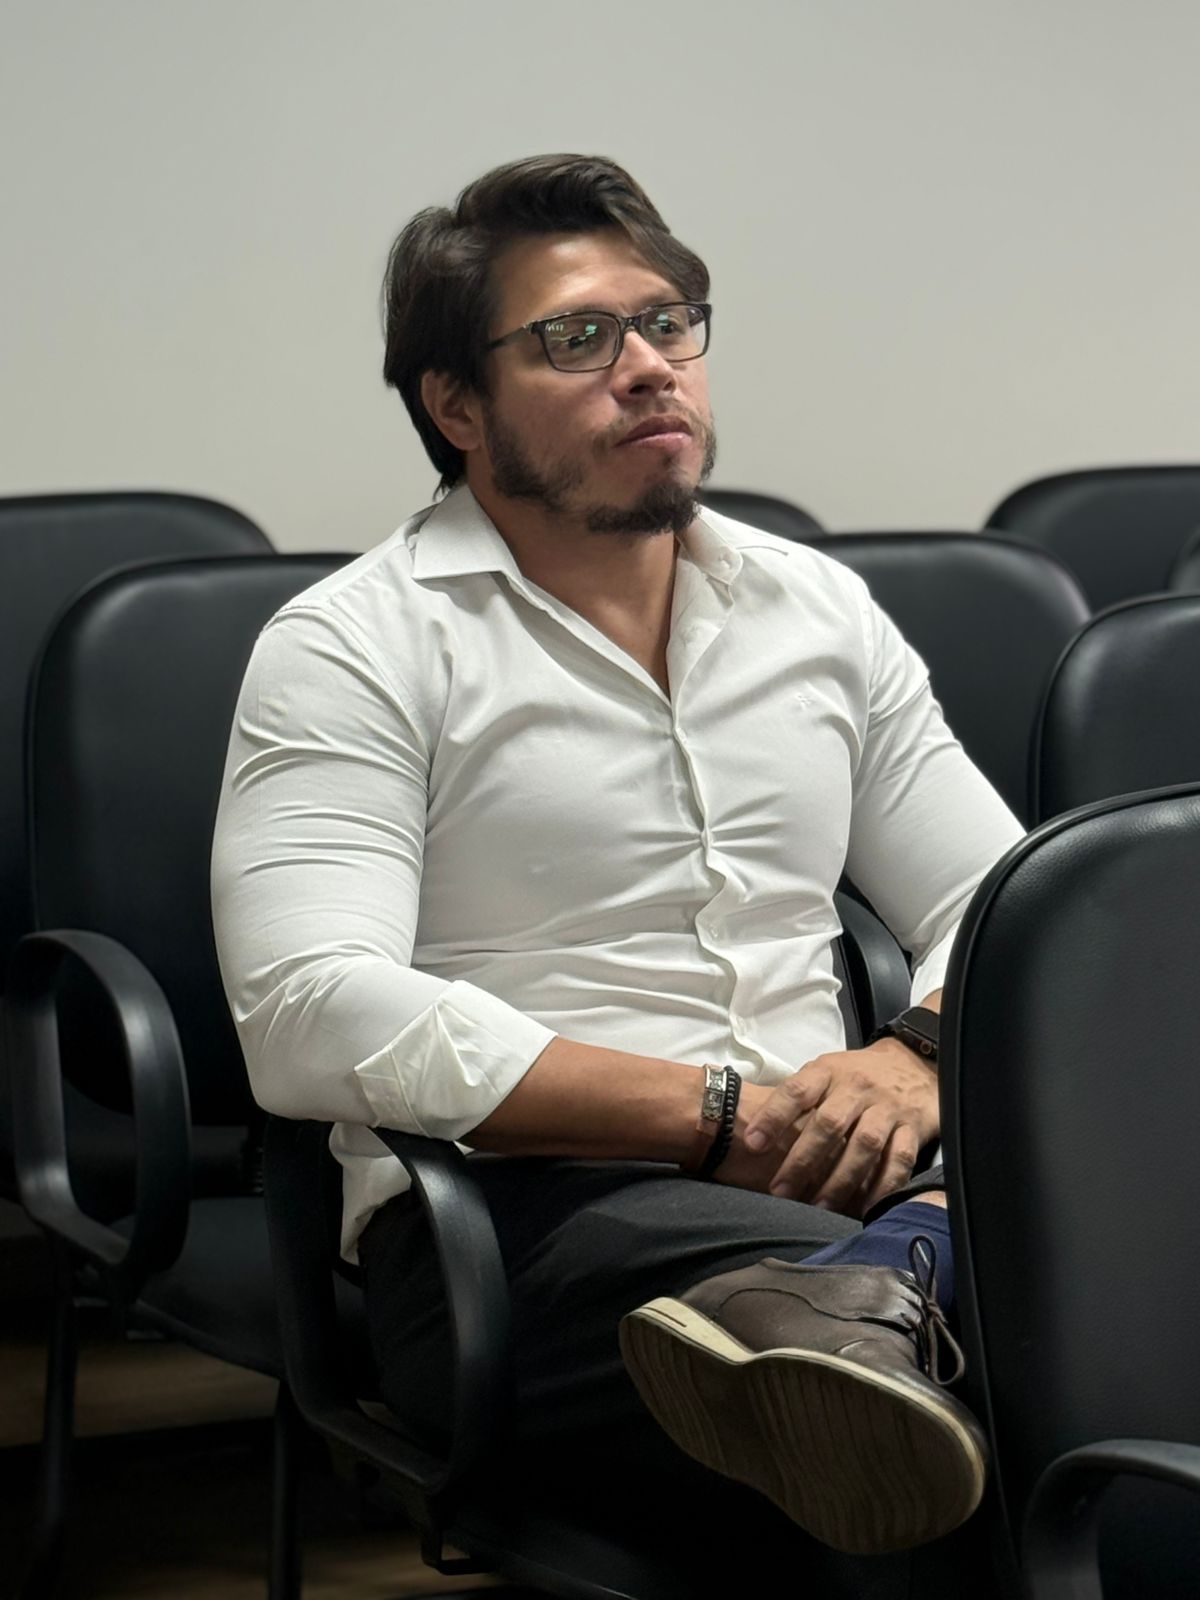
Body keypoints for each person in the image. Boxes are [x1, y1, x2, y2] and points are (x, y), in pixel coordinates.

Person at [211, 154, 1022, 1586]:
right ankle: (887, 1290)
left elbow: (1010, 903)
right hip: (523, 1219)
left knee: (1071, 1283)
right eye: (578, 338)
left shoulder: (814, 609)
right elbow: (307, 1008)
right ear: (457, 406)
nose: (649, 366)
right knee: (1025, 1342)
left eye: (669, 322)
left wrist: (917, 1056)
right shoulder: (353, 645)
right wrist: (712, 1115)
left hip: (847, 1173)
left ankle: (876, 1286)